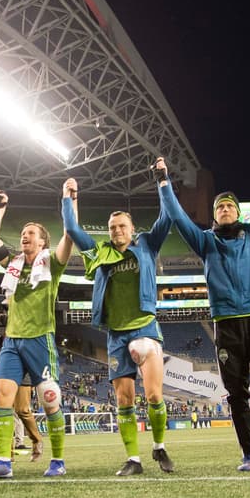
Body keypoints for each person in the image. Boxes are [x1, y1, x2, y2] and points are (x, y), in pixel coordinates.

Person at [160, 137, 250, 470]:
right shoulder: (205, 242)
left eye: (230, 205)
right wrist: (163, 183)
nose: (226, 209)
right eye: (220, 207)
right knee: (237, 395)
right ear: (215, 215)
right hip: (227, 324)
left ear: (237, 210)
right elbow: (176, 216)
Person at [62, 171, 175, 476]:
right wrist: (70, 196)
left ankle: (159, 446)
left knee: (153, 395)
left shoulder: (147, 245)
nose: (117, 231)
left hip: (145, 327)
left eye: (122, 226)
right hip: (116, 335)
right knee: (124, 398)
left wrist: (163, 181)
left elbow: (170, 216)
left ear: (132, 228)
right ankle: (134, 459)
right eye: (112, 228)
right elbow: (72, 227)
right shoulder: (100, 253)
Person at [0, 186, 76, 478]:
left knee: (49, 399)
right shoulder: (13, 265)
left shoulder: (53, 265)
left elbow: (69, 234)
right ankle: (4, 463)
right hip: (12, 342)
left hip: (40, 340)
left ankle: (58, 461)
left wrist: (70, 199)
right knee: (2, 393)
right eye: (23, 232)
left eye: (31, 233)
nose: (25, 235)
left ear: (43, 241)